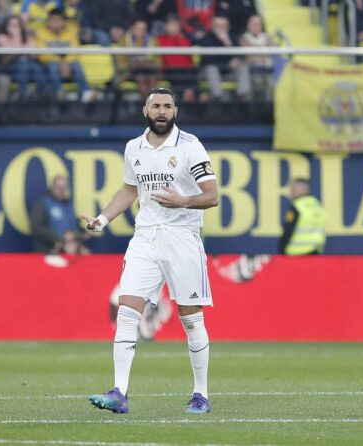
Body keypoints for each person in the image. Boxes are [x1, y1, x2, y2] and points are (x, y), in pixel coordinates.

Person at [84, 87, 219, 415]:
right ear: (145, 110)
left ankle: (200, 393)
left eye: (167, 106)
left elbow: (212, 195)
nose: (162, 111)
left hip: (182, 237)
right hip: (145, 237)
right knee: (127, 310)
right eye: (156, 106)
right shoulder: (134, 148)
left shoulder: (190, 146)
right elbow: (130, 189)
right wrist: (102, 219)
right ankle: (120, 392)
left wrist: (182, 201)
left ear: (175, 111)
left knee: (191, 318)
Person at [29, 174, 83, 253]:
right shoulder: (42, 204)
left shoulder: (68, 204)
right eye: (59, 187)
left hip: (71, 250)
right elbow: (37, 228)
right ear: (52, 187)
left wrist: (82, 233)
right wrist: (60, 238)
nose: (61, 190)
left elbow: (73, 226)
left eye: (64, 187)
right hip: (49, 250)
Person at [279, 178, 327, 255]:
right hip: (316, 252)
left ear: (301, 189)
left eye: (293, 188)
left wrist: (281, 251)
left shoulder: (297, 206)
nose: (291, 191)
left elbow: (288, 230)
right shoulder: (318, 206)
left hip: (296, 253)